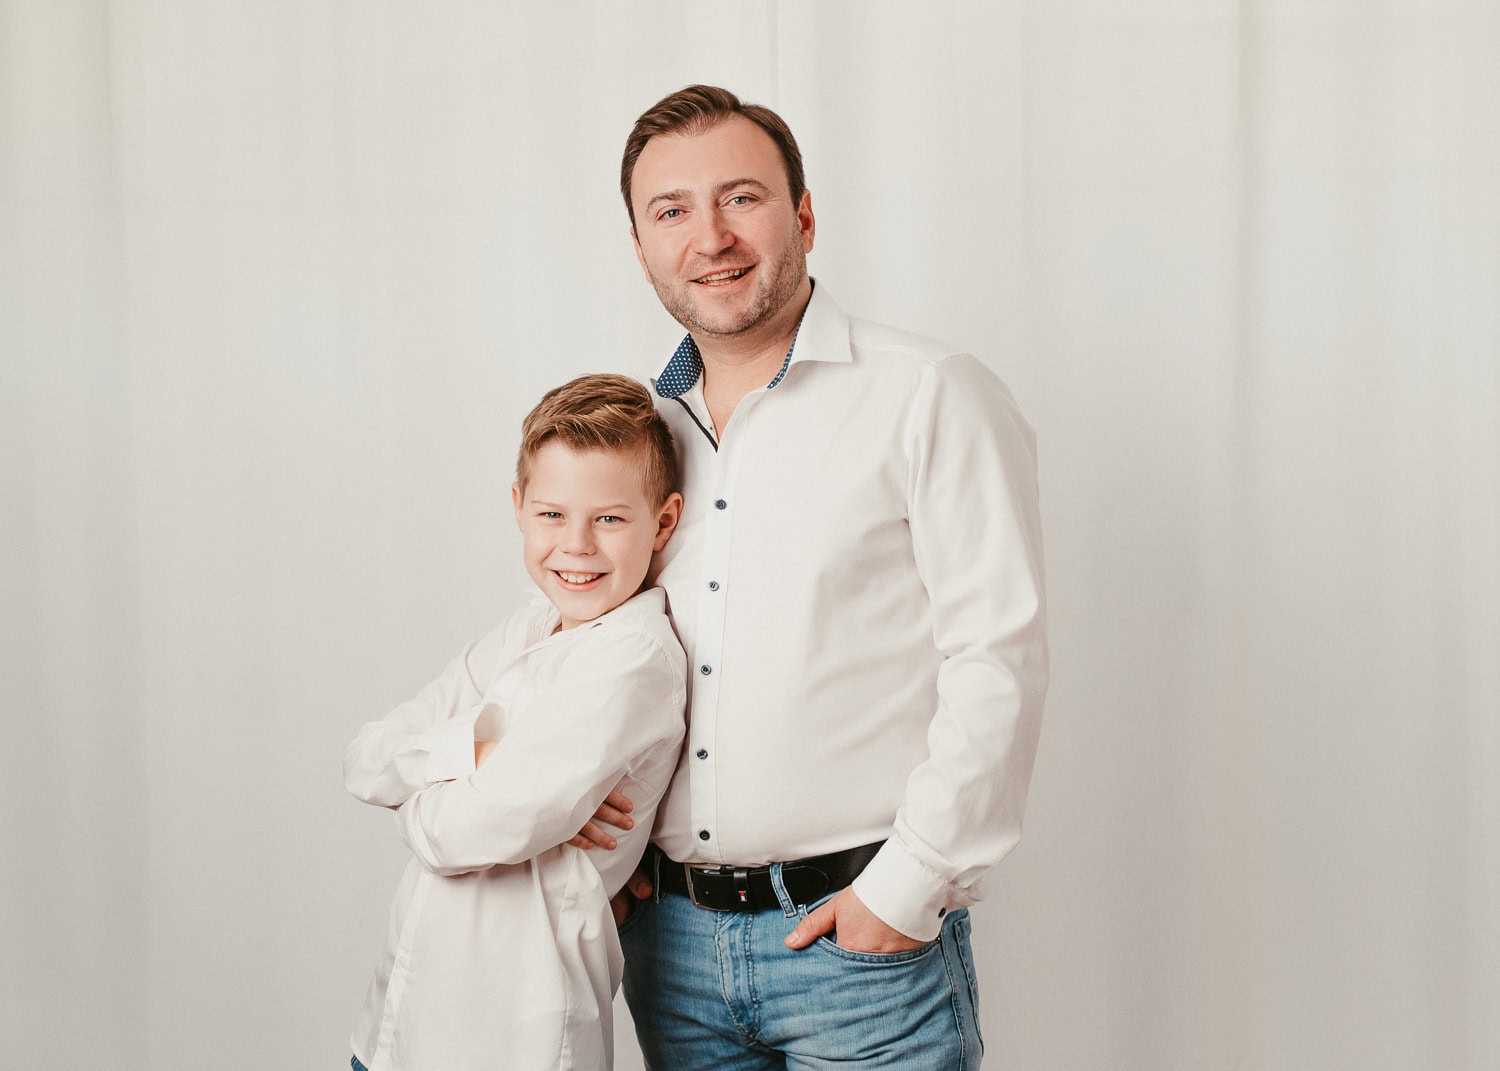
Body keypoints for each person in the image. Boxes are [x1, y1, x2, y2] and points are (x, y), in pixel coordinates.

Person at [588, 85, 1050, 1068]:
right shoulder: (638, 436)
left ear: (803, 215)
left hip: (861, 949)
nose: (710, 237)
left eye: (741, 197)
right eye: (671, 211)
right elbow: (600, 649)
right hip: (669, 951)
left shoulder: (927, 394)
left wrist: (906, 889)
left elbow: (997, 661)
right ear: (640, 247)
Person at [343, 374, 688, 1071]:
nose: (577, 545)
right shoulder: (527, 629)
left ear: (663, 521)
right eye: (552, 514)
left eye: (610, 519)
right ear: (519, 508)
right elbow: (365, 757)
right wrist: (484, 750)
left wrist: (423, 788)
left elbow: (457, 834)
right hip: (399, 1025)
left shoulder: (634, 658)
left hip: (511, 1034)